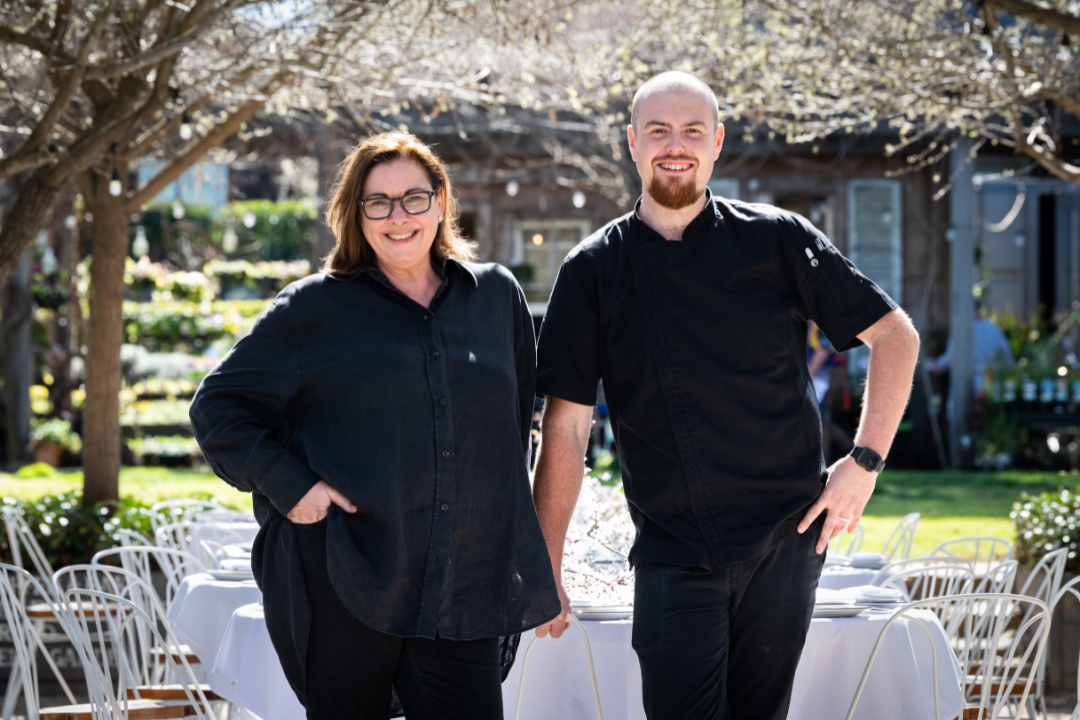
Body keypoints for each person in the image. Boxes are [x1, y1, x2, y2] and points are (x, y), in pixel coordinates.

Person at [531, 72, 920, 720]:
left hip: (786, 538)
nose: (674, 145)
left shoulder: (776, 239)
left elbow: (895, 335)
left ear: (717, 142)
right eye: (657, 131)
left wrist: (865, 463)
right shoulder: (592, 269)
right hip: (671, 547)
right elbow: (566, 430)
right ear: (632, 143)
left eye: (691, 131)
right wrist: (547, 565)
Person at [189, 132, 560, 720]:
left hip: (459, 588)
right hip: (347, 582)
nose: (398, 217)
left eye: (413, 197)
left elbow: (511, 438)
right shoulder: (314, 309)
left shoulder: (495, 297)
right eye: (377, 202)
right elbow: (217, 406)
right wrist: (294, 488)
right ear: (355, 216)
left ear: (440, 201)